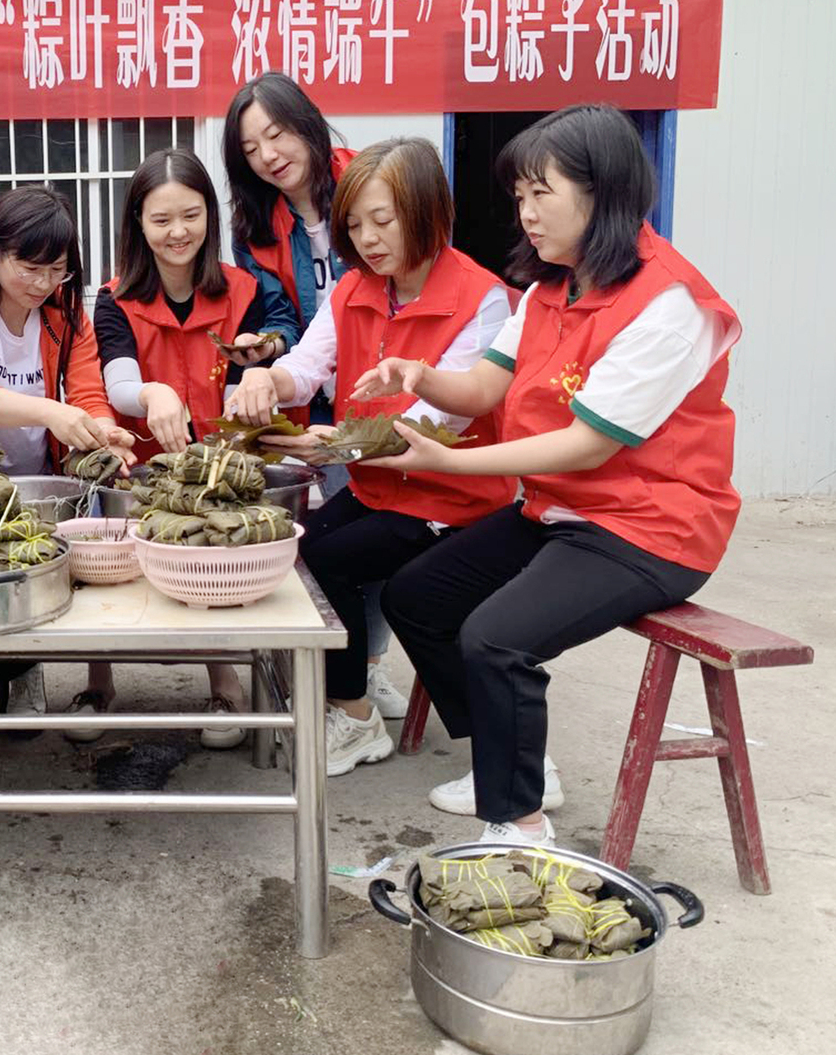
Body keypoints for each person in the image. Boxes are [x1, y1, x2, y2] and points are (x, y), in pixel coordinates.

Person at [355, 105, 741, 847]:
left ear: (604, 193)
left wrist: (450, 461)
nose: (526, 214)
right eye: (520, 196)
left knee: (497, 638)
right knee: (416, 597)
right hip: (561, 511)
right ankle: (509, 763)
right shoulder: (547, 290)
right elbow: (482, 389)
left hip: (649, 529)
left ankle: (521, 825)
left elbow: (587, 446)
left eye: (542, 194)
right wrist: (420, 375)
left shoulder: (670, 305)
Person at [228, 137, 515, 776]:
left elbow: (435, 426)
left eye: (383, 221)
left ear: (429, 211)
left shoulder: (483, 299)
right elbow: (308, 366)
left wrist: (330, 444)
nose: (368, 239)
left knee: (330, 560)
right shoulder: (357, 286)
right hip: (377, 487)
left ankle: (355, 715)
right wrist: (267, 379)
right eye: (355, 225)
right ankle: (350, 693)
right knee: (299, 548)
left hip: (452, 497)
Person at [91, 147, 296, 747]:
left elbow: (247, 380)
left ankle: (225, 684)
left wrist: (258, 372)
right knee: (108, 571)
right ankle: (98, 683)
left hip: (218, 464)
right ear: (137, 223)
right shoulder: (114, 298)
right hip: (139, 464)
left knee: (213, 566)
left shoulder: (242, 290)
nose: (177, 232)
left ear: (210, 214)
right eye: (161, 220)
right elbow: (118, 384)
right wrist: (151, 392)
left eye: (191, 215)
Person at [223, 71, 405, 714]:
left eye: (276, 134)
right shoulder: (257, 225)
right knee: (343, 528)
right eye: (250, 148)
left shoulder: (370, 180)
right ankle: (351, 666)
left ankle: (370, 666)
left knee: (377, 521)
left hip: (383, 380)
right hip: (315, 388)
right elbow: (284, 319)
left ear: (307, 123)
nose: (268, 156)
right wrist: (266, 349)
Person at [0, 186, 136, 732]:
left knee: (25, 571)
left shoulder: (67, 313)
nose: (43, 284)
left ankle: (21, 672)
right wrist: (52, 411)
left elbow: (87, 391)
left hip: (38, 475)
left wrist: (103, 431)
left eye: (57, 270)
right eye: (30, 268)